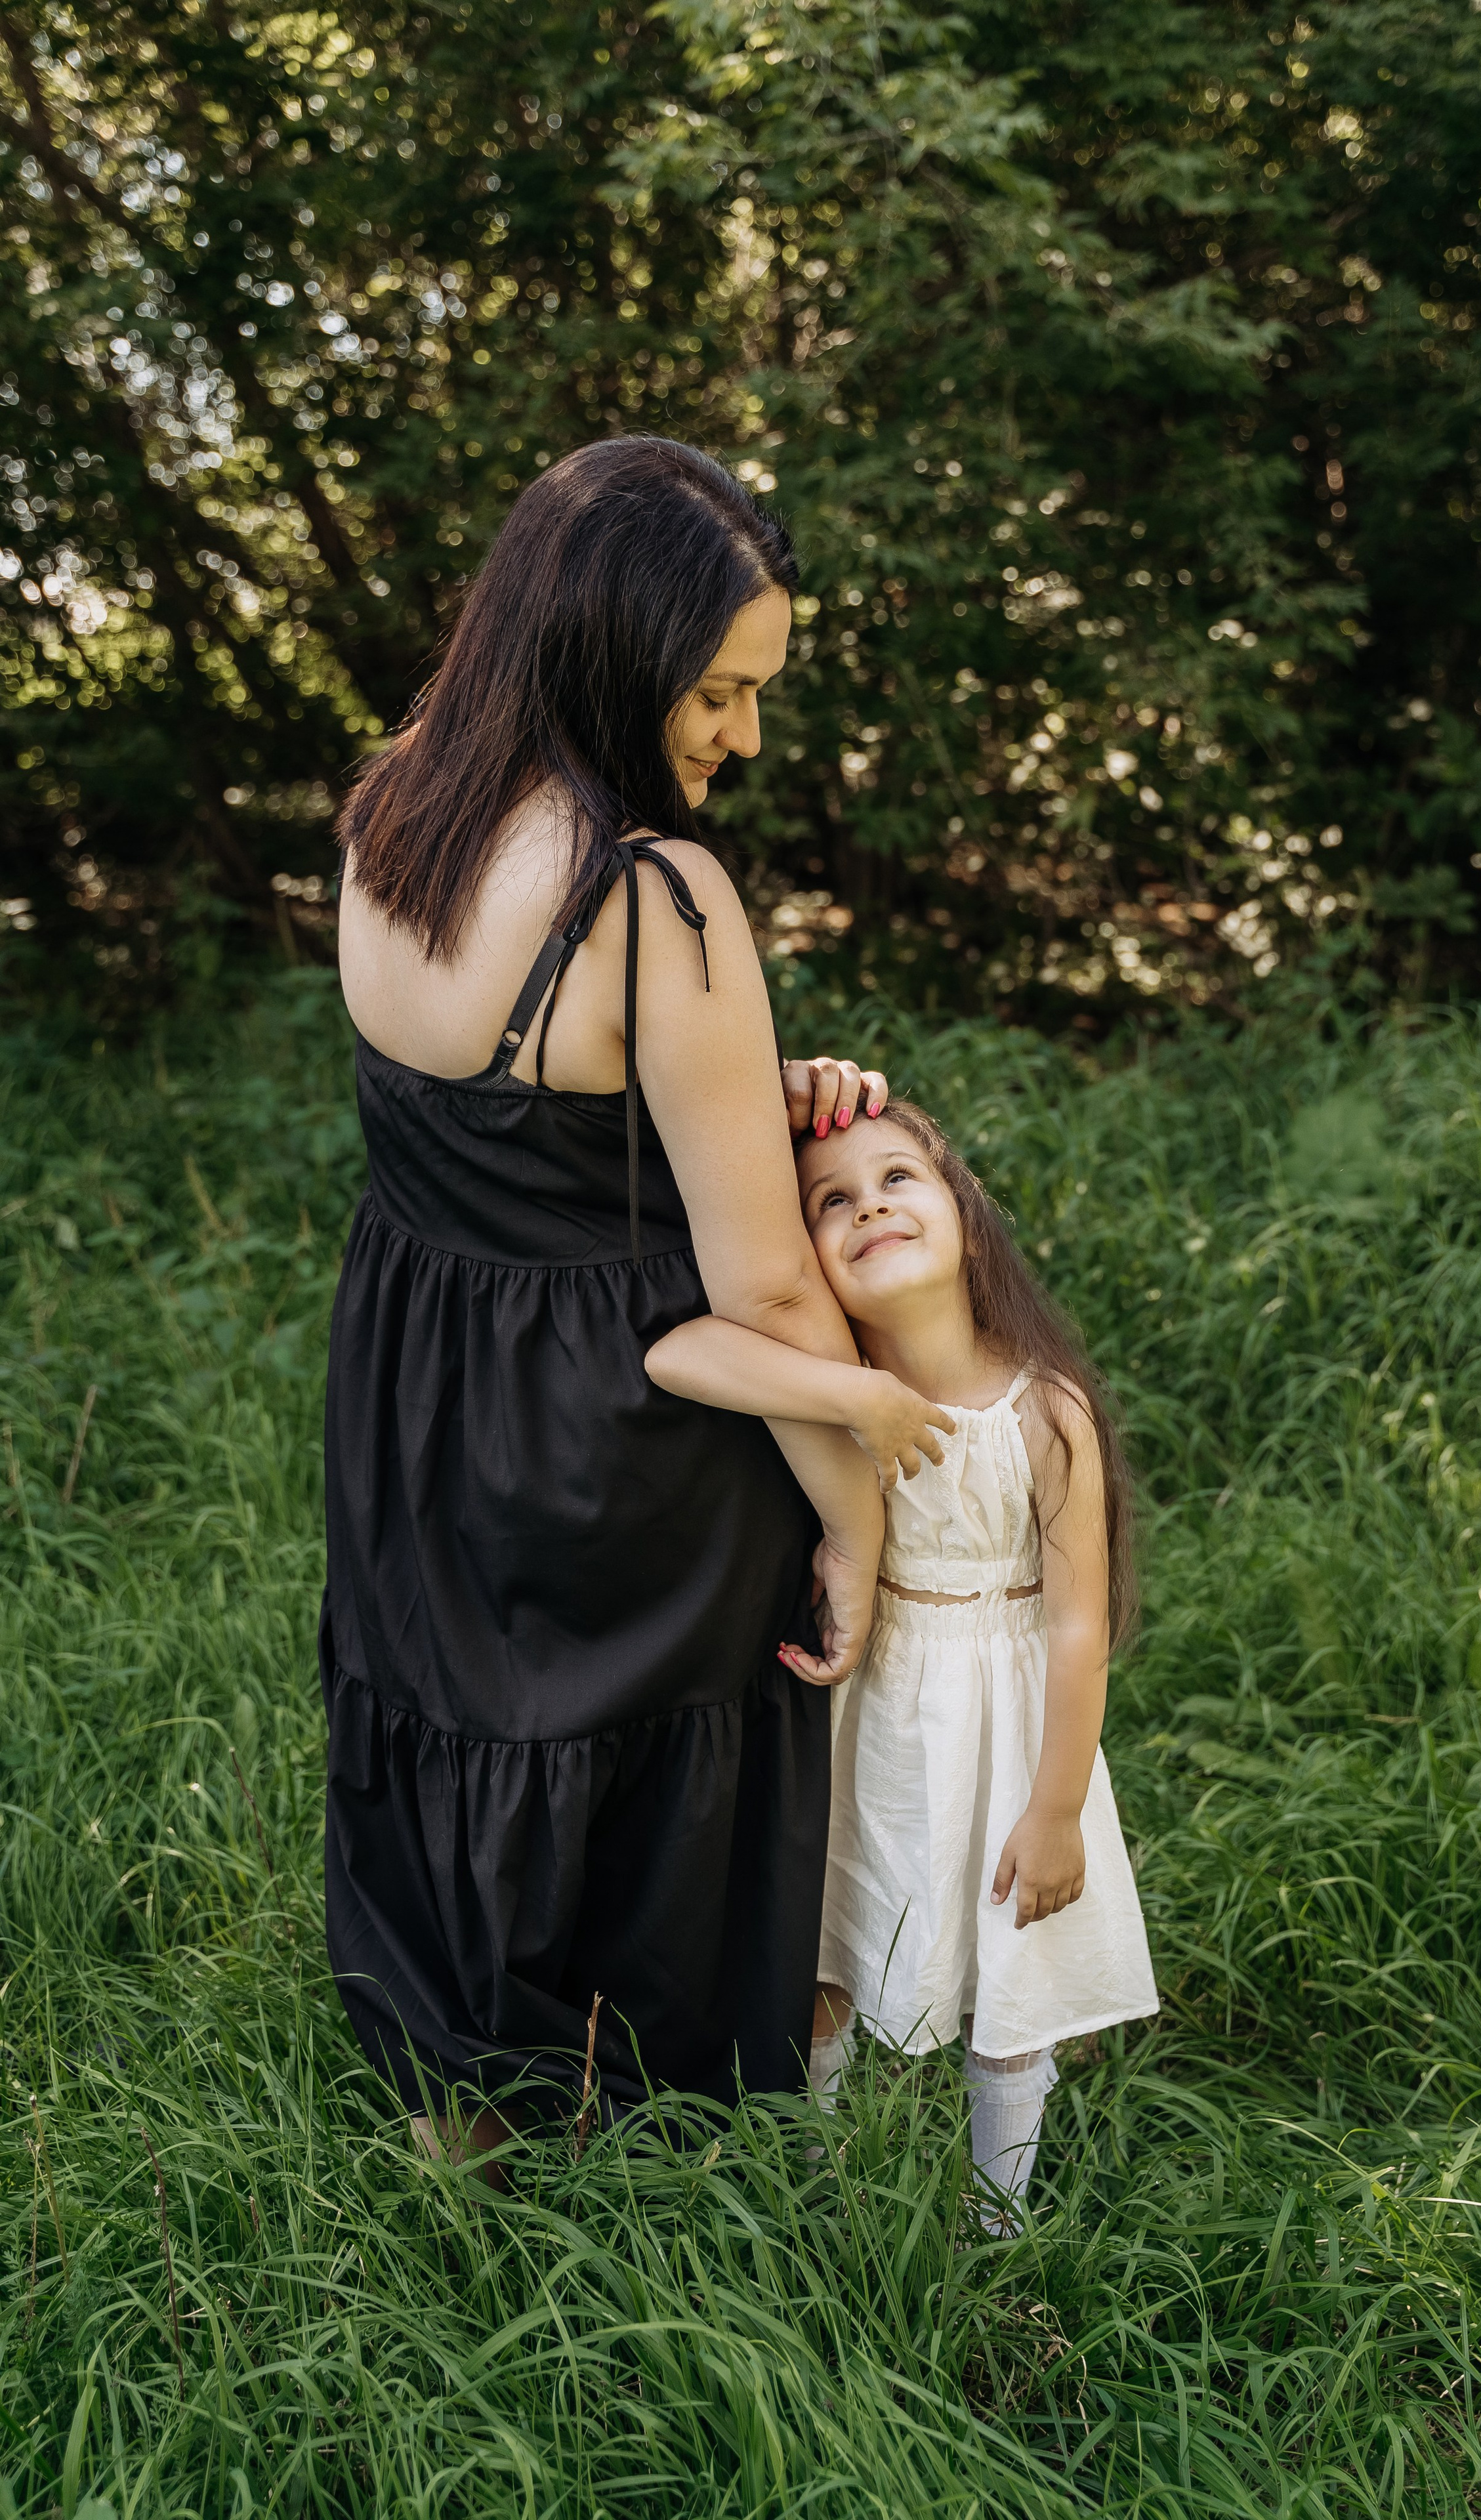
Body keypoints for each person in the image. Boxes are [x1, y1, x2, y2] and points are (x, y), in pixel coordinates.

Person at [323, 436, 890, 2174]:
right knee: (668, 1718)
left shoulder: (393, 812)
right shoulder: (651, 896)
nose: (744, 736)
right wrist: (857, 1511)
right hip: (614, 1418)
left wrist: (729, 1081)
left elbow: (511, 1125)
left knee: (455, 1703)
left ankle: (458, 2101)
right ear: (613, 654)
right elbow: (770, 1278)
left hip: (425, 1381)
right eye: (719, 691)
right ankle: (659, 2122)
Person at [646, 1099, 1160, 2223]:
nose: (868, 1205)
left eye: (897, 1181)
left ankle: (999, 2216)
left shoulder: (1043, 1412)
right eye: (832, 1204)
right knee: (833, 1933)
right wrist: (850, 1393)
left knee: (1004, 1969)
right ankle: (820, 2197)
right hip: (867, 1715)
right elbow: (673, 1352)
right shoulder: (827, 1394)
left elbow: (1078, 1628)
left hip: (1004, 1727)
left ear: (968, 1224)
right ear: (808, 1264)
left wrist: (1060, 1809)